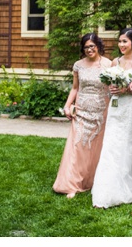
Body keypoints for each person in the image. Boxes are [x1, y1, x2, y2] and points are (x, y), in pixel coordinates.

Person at [91, 28, 132, 208]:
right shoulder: (115, 61)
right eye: (120, 41)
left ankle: (131, 183)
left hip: (131, 108)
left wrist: (127, 90)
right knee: (112, 144)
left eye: (125, 41)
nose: (121, 45)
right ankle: (107, 186)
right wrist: (113, 89)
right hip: (115, 108)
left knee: (129, 145)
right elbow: (109, 85)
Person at [53, 33, 111, 198]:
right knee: (77, 147)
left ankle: (93, 181)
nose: (89, 49)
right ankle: (72, 184)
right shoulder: (78, 65)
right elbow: (75, 88)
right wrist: (67, 105)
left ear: (98, 46)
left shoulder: (109, 64)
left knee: (97, 148)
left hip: (101, 112)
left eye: (92, 46)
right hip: (82, 111)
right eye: (86, 47)